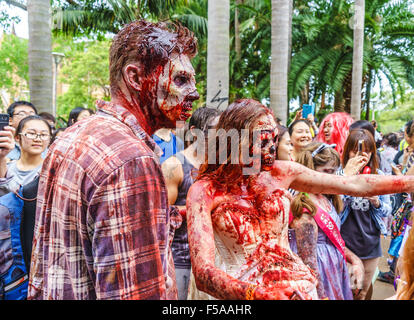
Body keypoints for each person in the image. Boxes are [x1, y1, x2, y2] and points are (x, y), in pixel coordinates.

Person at [28, 20, 200, 300]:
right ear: (134, 78)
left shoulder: (70, 137)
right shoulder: (132, 160)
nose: (193, 93)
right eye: (180, 80)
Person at [185, 99, 414, 300]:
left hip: (298, 289)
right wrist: (257, 294)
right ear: (235, 140)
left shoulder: (280, 173)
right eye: (262, 141)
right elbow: (203, 272)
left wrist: (408, 182)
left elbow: (356, 185)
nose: (271, 149)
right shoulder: (204, 191)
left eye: (274, 140)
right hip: (241, 294)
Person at [289, 142, 363, 300]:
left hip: (333, 268)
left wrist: (354, 259)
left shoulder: (327, 198)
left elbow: (333, 239)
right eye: (326, 172)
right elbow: (309, 264)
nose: (332, 178)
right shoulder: (305, 210)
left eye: (334, 172)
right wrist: (321, 296)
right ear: (309, 171)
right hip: (320, 275)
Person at [161, 106, 220, 300]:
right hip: (181, 257)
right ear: (195, 132)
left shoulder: (221, 166)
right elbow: (162, 214)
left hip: (214, 260)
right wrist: (199, 209)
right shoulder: (174, 166)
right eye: (215, 130)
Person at [339, 129, 392, 300]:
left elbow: (387, 210)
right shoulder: (340, 175)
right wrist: (347, 180)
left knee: (362, 293)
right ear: (347, 151)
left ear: (372, 152)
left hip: (370, 244)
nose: (361, 154)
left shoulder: (379, 176)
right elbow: (333, 206)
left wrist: (376, 202)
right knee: (349, 291)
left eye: (367, 150)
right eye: (355, 150)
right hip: (346, 243)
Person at [0, 115, 51, 196]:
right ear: (17, 137)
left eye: (44, 135)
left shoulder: (51, 171)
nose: (38, 139)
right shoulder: (6, 167)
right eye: (31, 133)